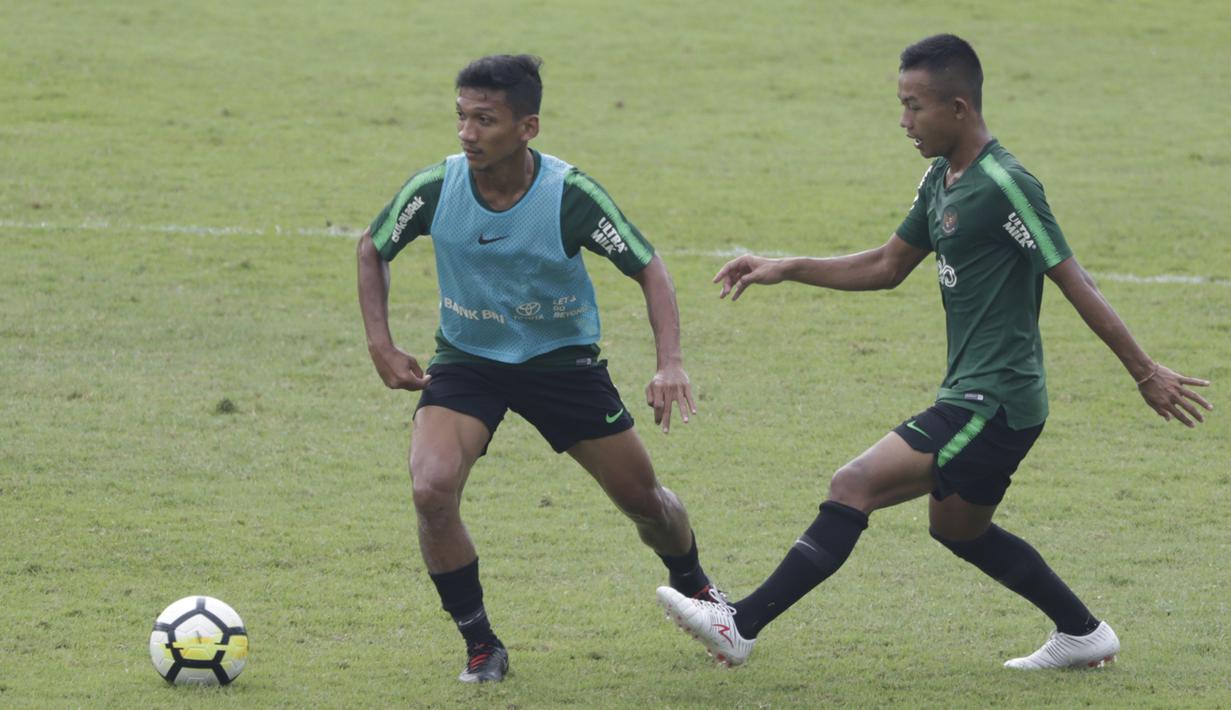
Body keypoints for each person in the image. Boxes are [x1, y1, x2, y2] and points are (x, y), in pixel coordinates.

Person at [657, 34, 1213, 670]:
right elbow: (889, 264)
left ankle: (741, 624)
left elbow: (1073, 278)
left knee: (855, 482)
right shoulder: (941, 178)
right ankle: (1084, 633)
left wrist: (1144, 372)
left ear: (959, 107)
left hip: (996, 398)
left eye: (914, 107)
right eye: (901, 105)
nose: (903, 121)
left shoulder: (1006, 185)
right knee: (957, 530)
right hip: (978, 393)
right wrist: (786, 268)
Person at [357, 54, 719, 684]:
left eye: (485, 119)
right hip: (469, 361)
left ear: (528, 127)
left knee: (645, 503)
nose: (467, 133)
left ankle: (696, 586)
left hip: (562, 365)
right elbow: (372, 247)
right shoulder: (436, 189)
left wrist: (671, 363)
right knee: (430, 489)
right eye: (461, 117)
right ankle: (481, 645)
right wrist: (380, 345)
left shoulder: (568, 195)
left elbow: (648, 267)